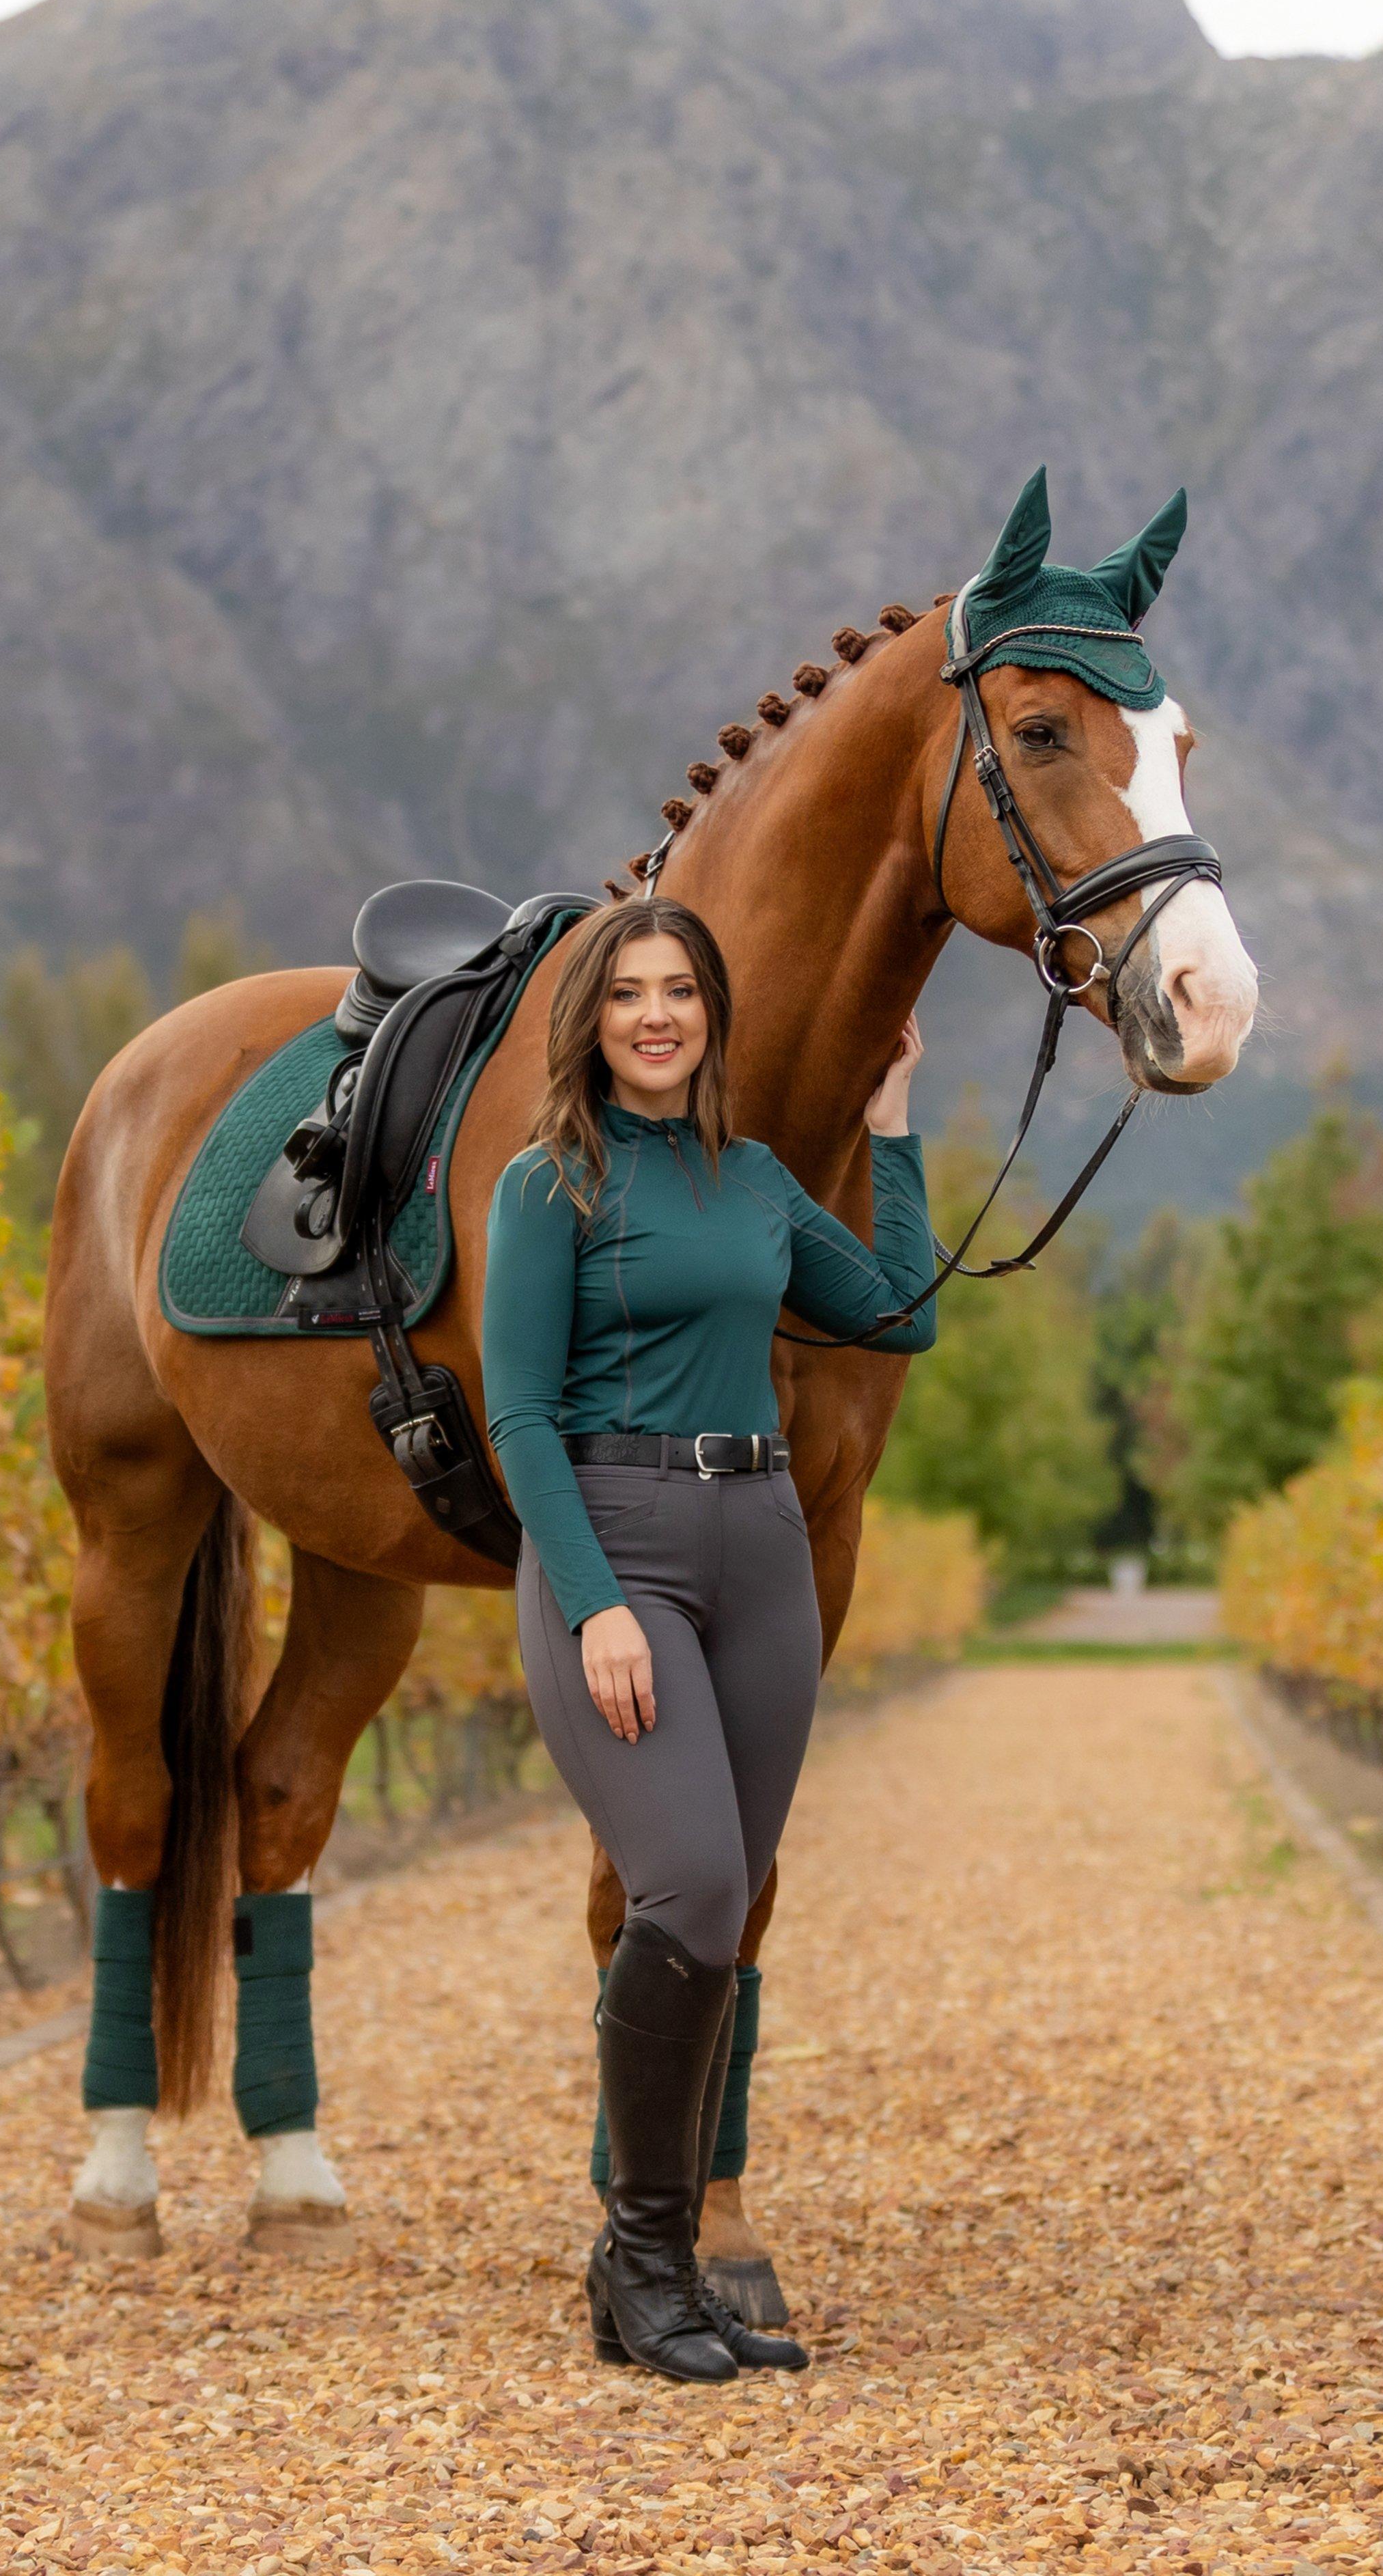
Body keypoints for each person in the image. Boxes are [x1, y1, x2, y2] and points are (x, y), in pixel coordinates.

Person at [481, 896, 934, 2382]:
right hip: (619, 1545)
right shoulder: (549, 1185)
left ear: (711, 1014)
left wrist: (900, 1129)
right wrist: (596, 1596)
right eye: (628, 994)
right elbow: (519, 1414)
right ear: (592, 1022)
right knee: (684, 1880)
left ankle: (655, 2276)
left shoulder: (754, 1183)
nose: (656, 1015)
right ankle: (644, 2252)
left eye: (679, 990)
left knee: (730, 1905)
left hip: (761, 1549)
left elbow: (894, 1314)